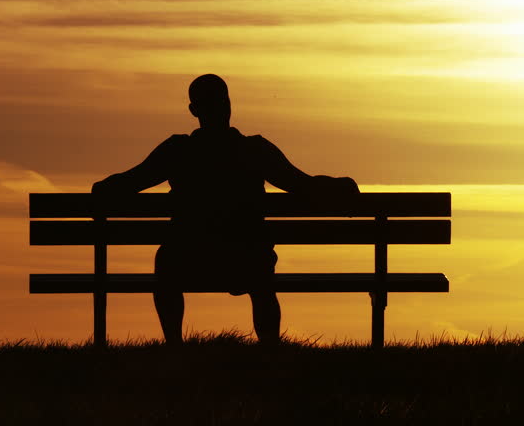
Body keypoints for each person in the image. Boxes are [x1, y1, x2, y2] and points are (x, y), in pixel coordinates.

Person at [92, 74, 359, 346]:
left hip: (189, 259)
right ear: (229, 104)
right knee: (261, 279)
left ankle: (174, 346)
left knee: (166, 263)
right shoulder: (255, 150)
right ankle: (269, 347)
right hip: (247, 258)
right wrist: (340, 186)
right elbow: (301, 184)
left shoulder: (178, 151)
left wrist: (102, 188)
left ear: (194, 110)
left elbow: (132, 181)